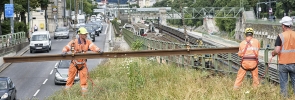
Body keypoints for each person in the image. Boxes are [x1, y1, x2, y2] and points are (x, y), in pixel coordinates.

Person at [61, 27, 103, 95]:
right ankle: (66, 95)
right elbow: (67, 47)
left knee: (84, 83)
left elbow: (93, 47)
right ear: (80, 35)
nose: (86, 35)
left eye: (86, 34)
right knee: (69, 81)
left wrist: (99, 50)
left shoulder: (87, 42)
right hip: (74, 64)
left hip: (82, 65)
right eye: (84, 34)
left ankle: (84, 96)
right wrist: (64, 51)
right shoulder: (74, 42)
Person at [272, 16, 295, 97]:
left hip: (283, 64)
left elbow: (277, 50)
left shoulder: (281, 36)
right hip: (294, 63)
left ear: (283, 25)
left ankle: (285, 98)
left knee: (283, 85)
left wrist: (273, 53)